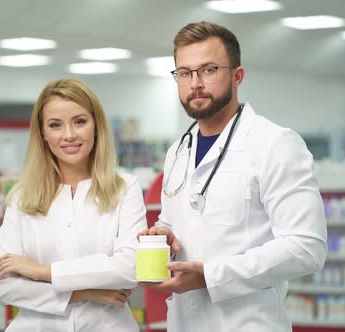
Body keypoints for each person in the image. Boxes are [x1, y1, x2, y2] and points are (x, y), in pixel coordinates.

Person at [138, 21, 327, 331]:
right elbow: (177, 221)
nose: (195, 83)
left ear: (237, 75)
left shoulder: (276, 144)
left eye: (208, 70)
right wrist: (163, 234)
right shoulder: (178, 152)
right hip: (184, 323)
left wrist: (212, 275)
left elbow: (306, 247)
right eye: (184, 73)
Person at [0, 78, 147, 331]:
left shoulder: (125, 188)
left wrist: (42, 272)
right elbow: (2, 285)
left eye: (80, 121)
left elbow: (130, 267)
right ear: (43, 133)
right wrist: (81, 292)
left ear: (97, 126)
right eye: (55, 125)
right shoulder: (22, 196)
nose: (69, 135)